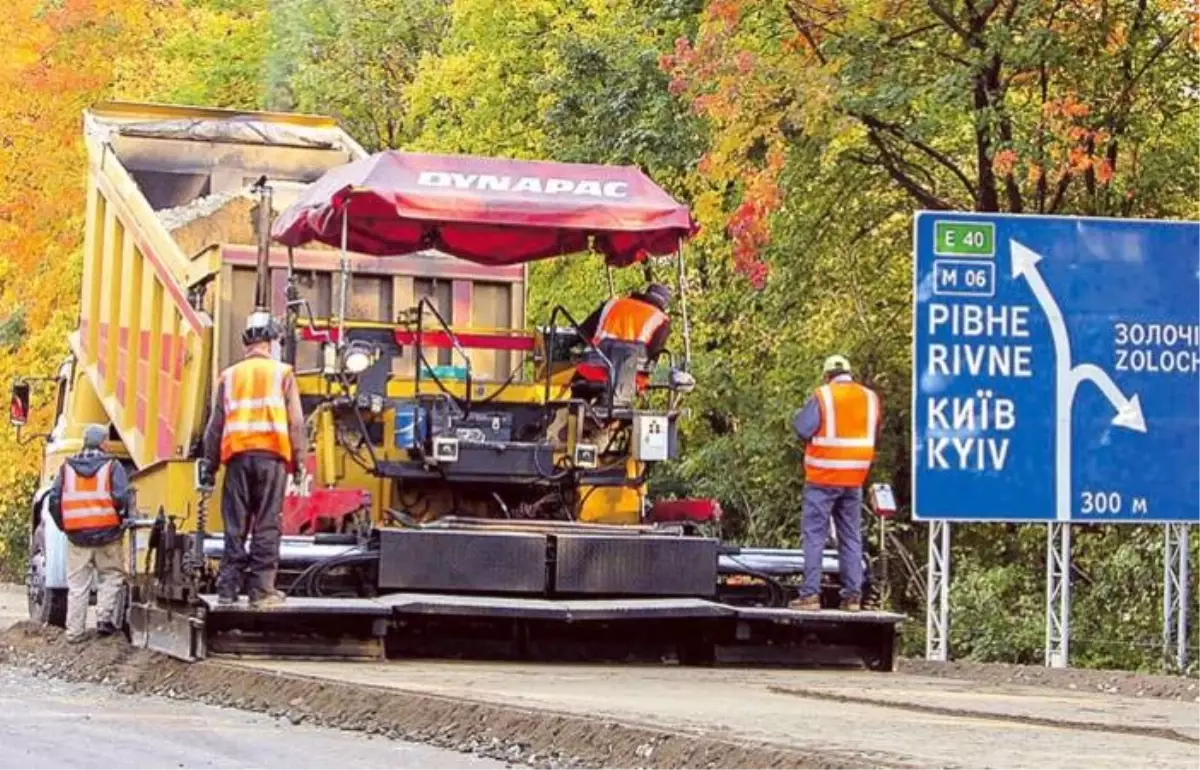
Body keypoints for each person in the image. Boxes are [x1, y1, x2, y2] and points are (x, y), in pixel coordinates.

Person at [201, 311, 305, 608]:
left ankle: (228, 590)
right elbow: (296, 423)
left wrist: (209, 468)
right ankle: (261, 591)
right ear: (272, 343)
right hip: (271, 459)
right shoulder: (283, 373)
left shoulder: (229, 376)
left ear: (247, 345)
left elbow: (214, 427)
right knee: (267, 524)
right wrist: (298, 464)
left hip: (237, 458)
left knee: (235, 526)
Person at [790, 355, 881, 612]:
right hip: (854, 479)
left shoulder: (824, 396)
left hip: (822, 477)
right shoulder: (870, 398)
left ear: (827, 375)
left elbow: (802, 428)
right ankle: (853, 597)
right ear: (849, 373)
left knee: (814, 536)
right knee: (851, 537)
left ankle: (810, 595)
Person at [46, 424, 133, 643]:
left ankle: (75, 633)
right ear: (103, 443)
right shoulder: (113, 467)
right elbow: (122, 497)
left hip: (77, 536)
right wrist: (121, 520)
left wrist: (65, 526)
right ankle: (104, 620)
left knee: (77, 585)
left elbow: (54, 500)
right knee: (112, 575)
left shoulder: (66, 468)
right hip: (108, 535)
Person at [576, 283, 672, 404]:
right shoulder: (660, 319)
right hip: (624, 377)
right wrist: (641, 383)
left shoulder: (614, 304)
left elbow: (582, 332)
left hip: (591, 368)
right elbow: (653, 354)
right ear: (664, 305)